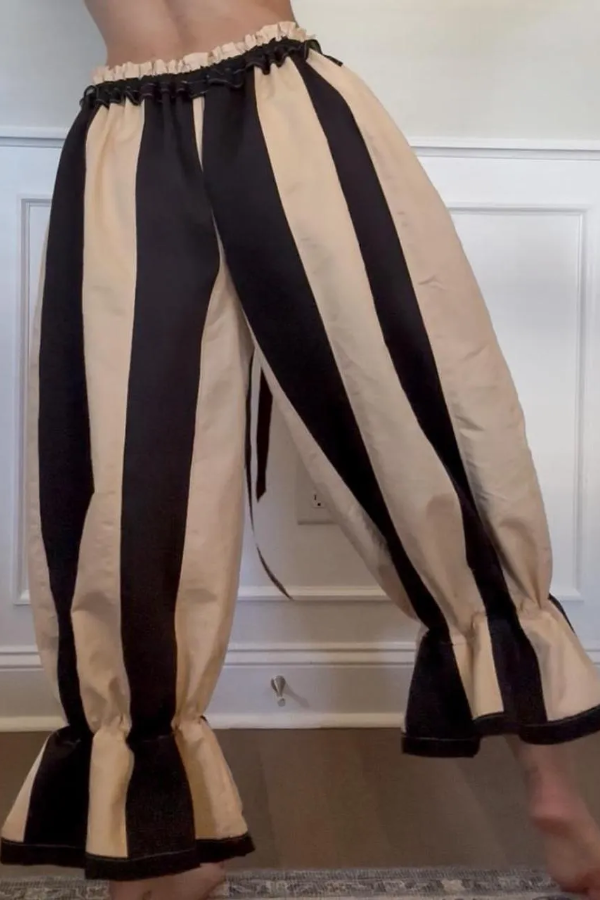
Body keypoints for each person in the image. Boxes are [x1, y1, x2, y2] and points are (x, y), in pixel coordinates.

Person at [3, 0, 600, 897]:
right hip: (134, 139)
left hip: (273, 103)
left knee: (418, 419)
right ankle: (154, 842)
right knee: (127, 487)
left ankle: (550, 782)